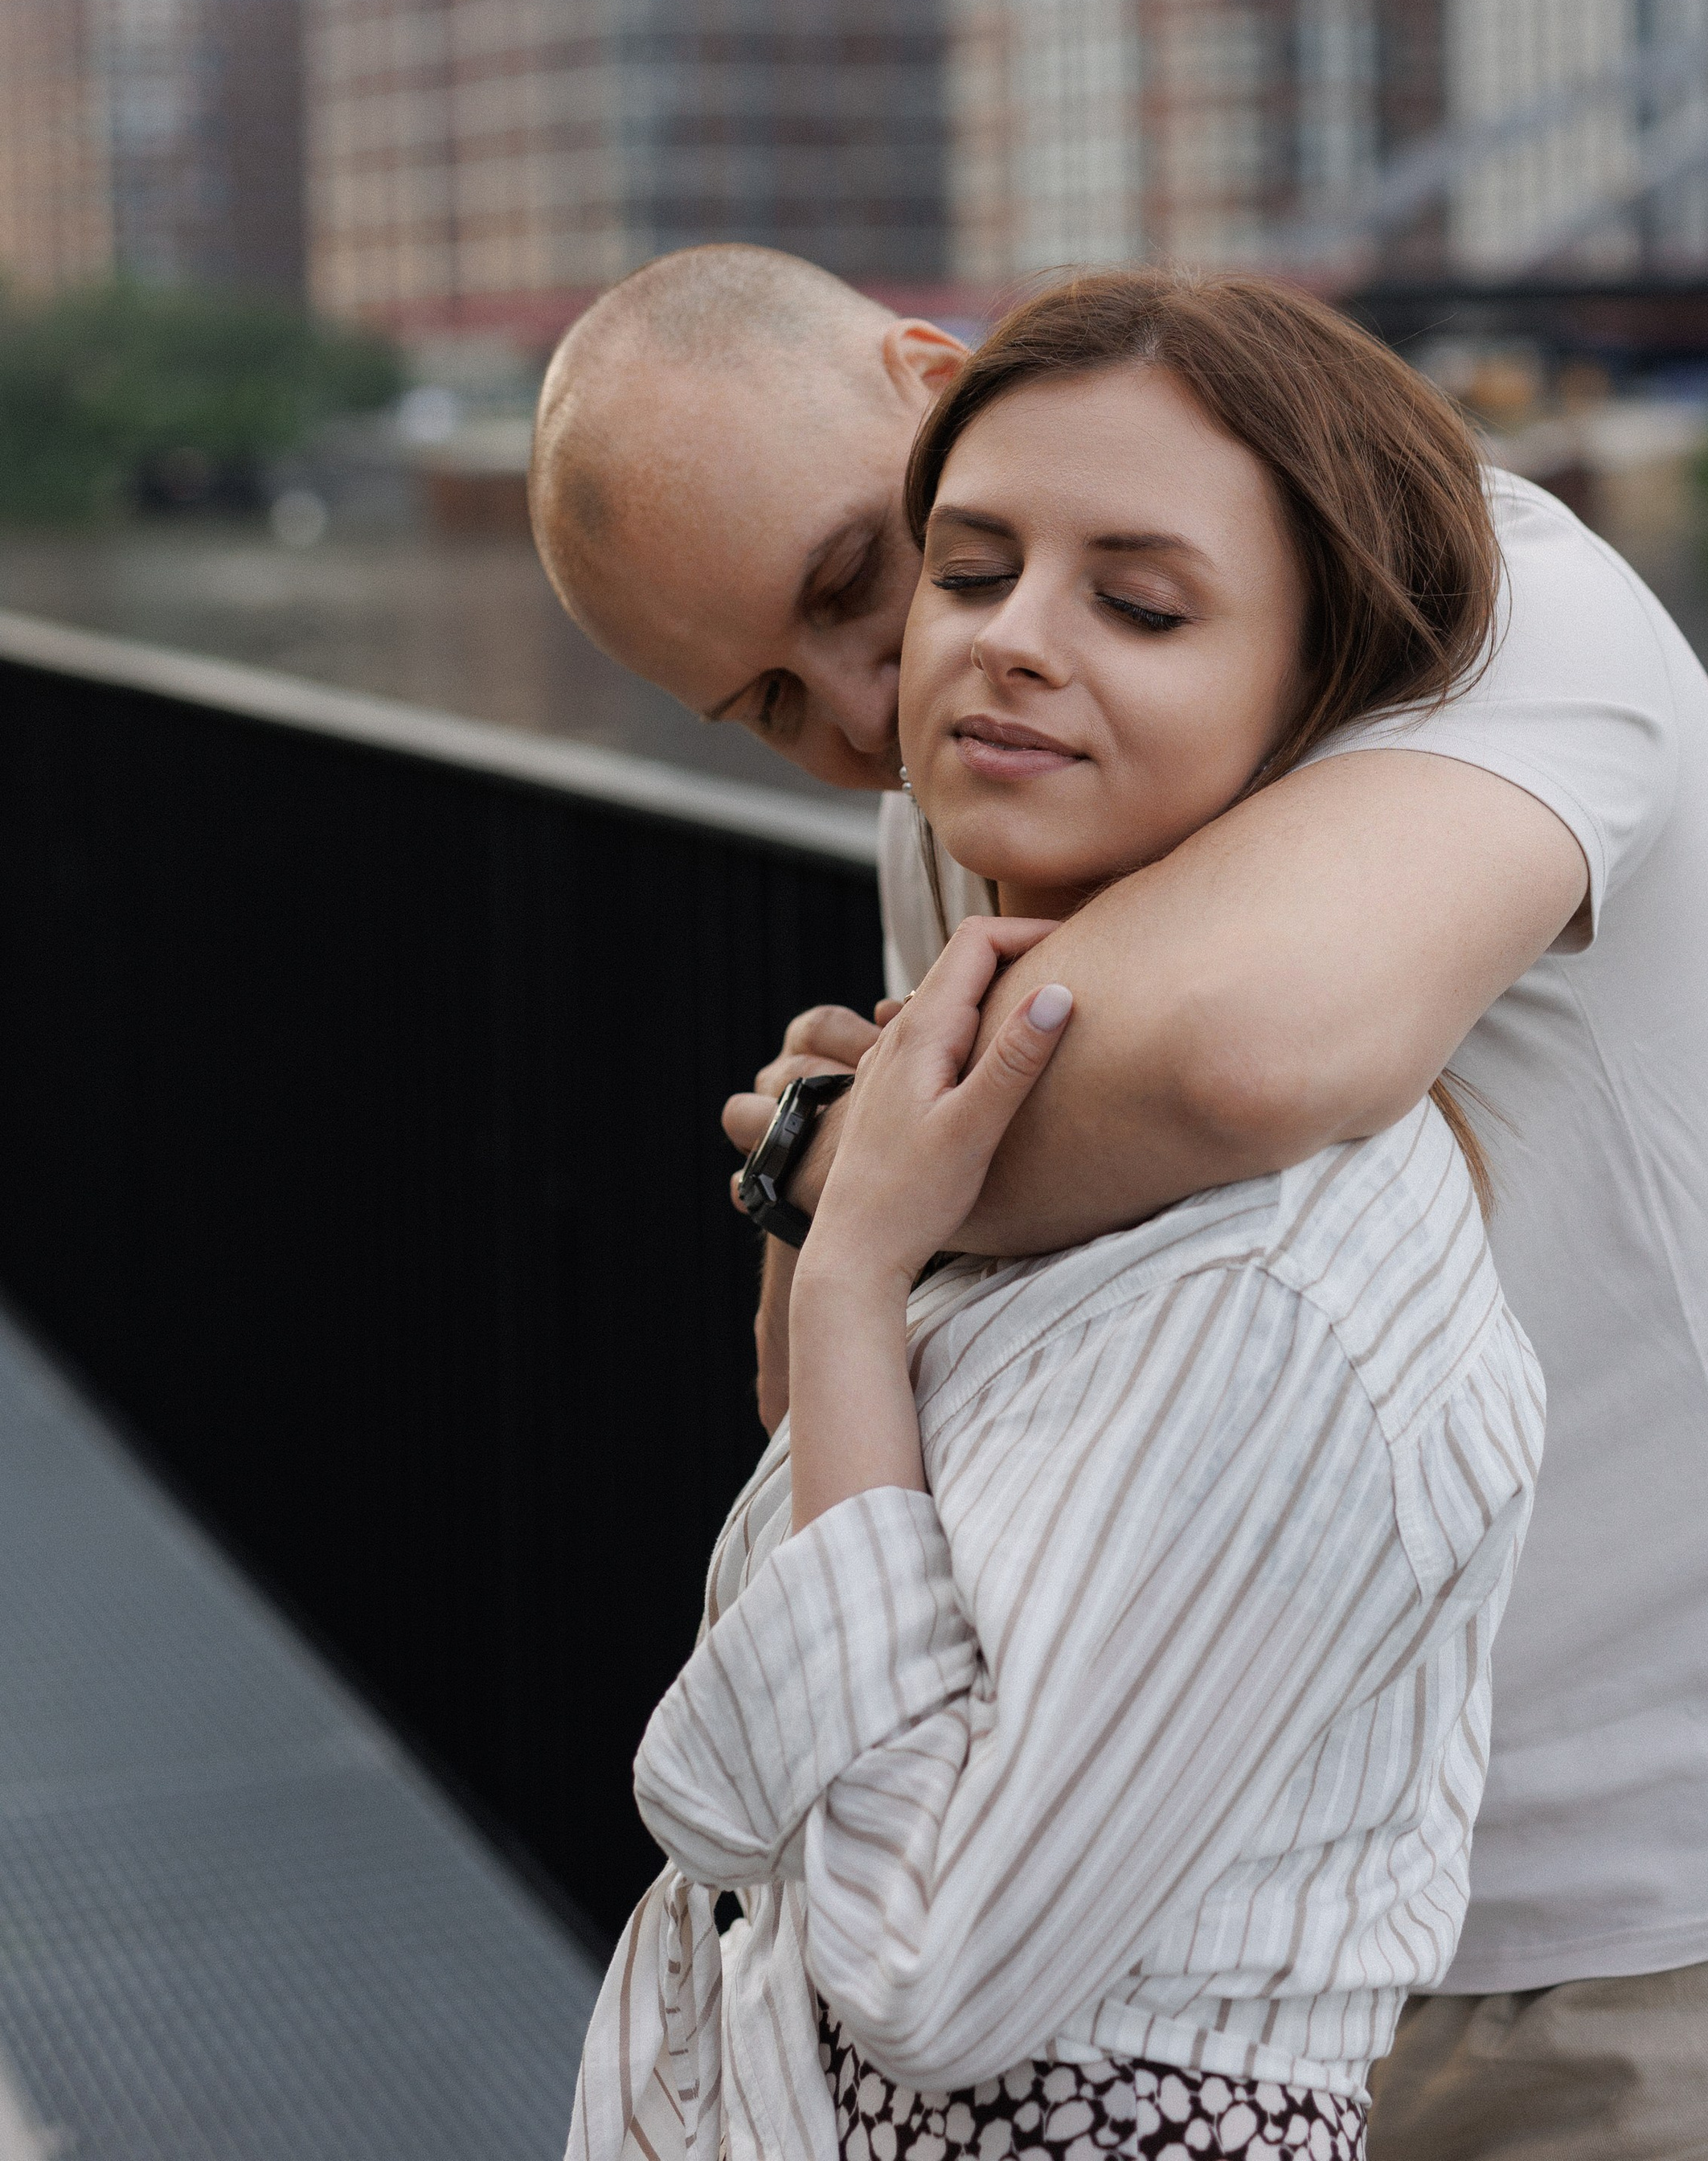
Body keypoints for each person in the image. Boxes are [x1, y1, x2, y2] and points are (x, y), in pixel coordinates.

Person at [534, 247, 1708, 2161]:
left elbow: (1246, 1056)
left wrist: (834, 1163)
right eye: (769, 700)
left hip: (1648, 1878)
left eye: (854, 583)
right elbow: (865, 1390)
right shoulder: (979, 780)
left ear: (925, 375)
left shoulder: (1501, 605)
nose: (876, 706)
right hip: (1196, 1919)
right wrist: (850, 1195)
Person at [563, 275, 1546, 2161]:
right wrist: (837, 1208)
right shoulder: (985, 949)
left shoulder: (1276, 1277)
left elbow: (929, 1968)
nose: (903, 688)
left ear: (1310, 685)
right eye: (965, 573)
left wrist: (853, 1255)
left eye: (1139, 603)